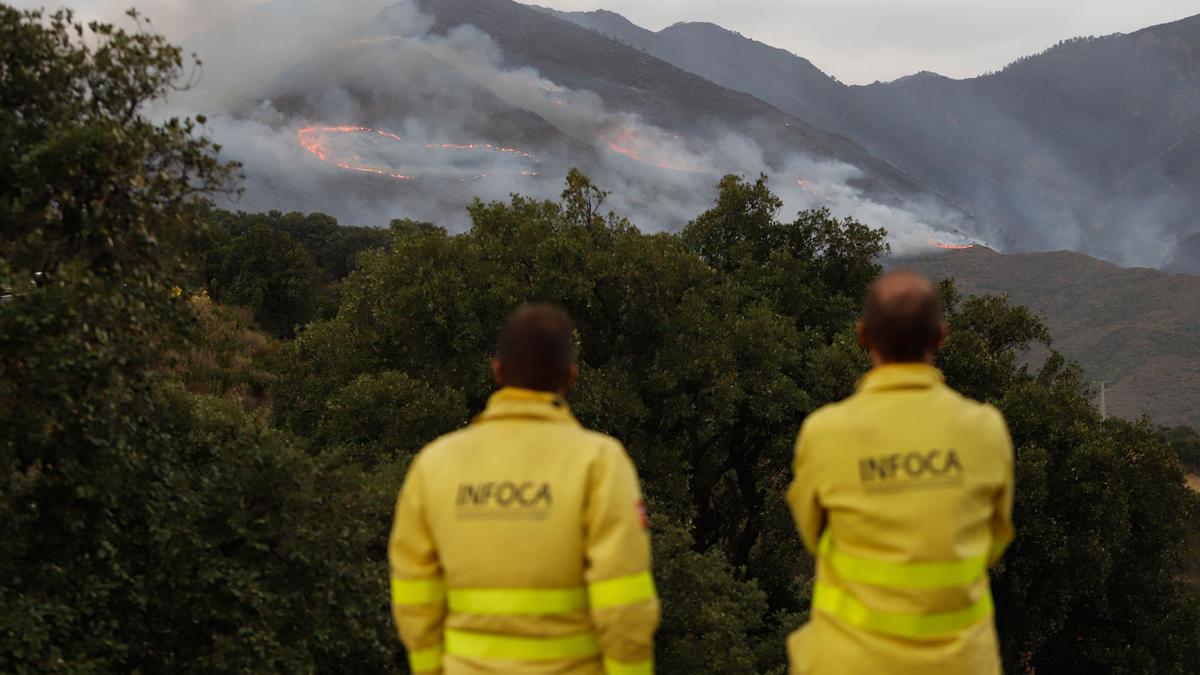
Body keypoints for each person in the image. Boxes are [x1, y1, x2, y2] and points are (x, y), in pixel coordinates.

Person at [388, 305, 660, 675]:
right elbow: (624, 605)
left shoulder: (434, 463)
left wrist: (429, 668)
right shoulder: (600, 462)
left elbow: (414, 594)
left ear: (497, 371)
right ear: (571, 377)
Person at [786, 271, 1015, 674]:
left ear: (862, 335)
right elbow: (994, 540)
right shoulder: (985, 428)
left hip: (849, 662)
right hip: (961, 663)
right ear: (940, 338)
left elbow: (812, 534)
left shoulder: (825, 432)